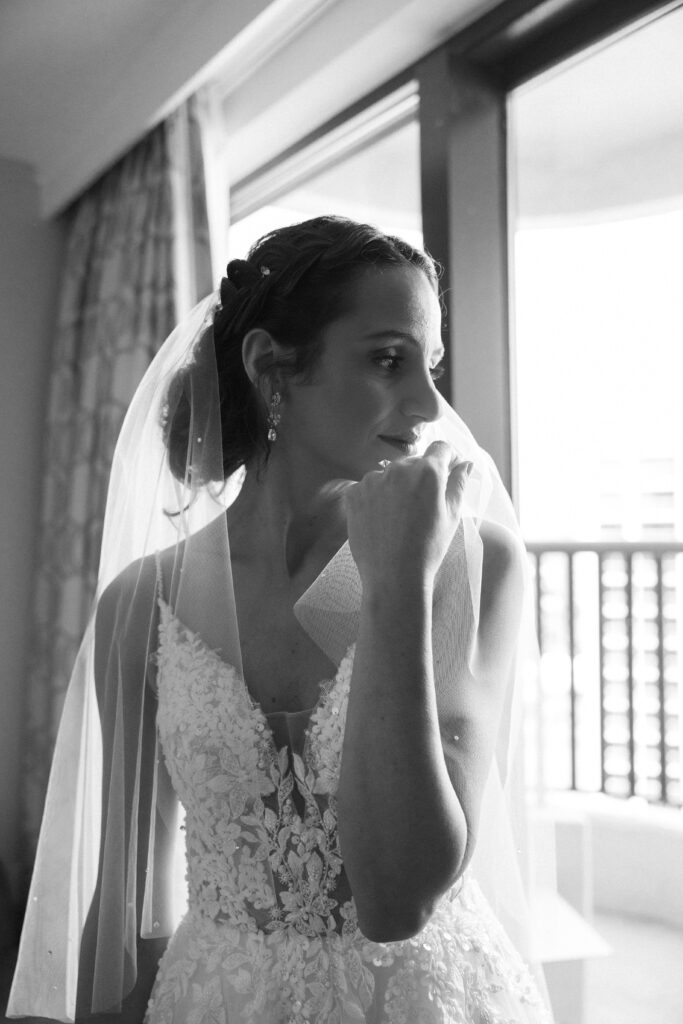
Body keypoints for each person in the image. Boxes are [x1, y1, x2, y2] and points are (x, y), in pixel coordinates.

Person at [9, 216, 554, 1023]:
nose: (428, 404)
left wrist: (397, 581)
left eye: (430, 366)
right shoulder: (140, 605)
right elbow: (125, 910)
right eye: (387, 359)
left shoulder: (475, 569)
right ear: (272, 367)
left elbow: (399, 897)